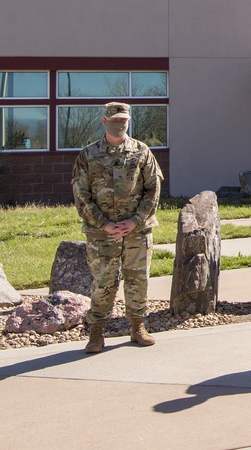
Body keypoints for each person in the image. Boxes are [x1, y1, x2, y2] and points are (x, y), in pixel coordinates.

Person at [72, 102, 164, 354]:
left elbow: (153, 190)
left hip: (137, 230)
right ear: (104, 121)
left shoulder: (141, 151)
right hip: (101, 233)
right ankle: (97, 332)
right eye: (115, 120)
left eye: (124, 120)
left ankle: (137, 326)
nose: (120, 123)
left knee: (137, 279)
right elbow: (81, 195)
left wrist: (135, 220)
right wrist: (104, 224)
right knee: (104, 282)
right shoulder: (88, 154)